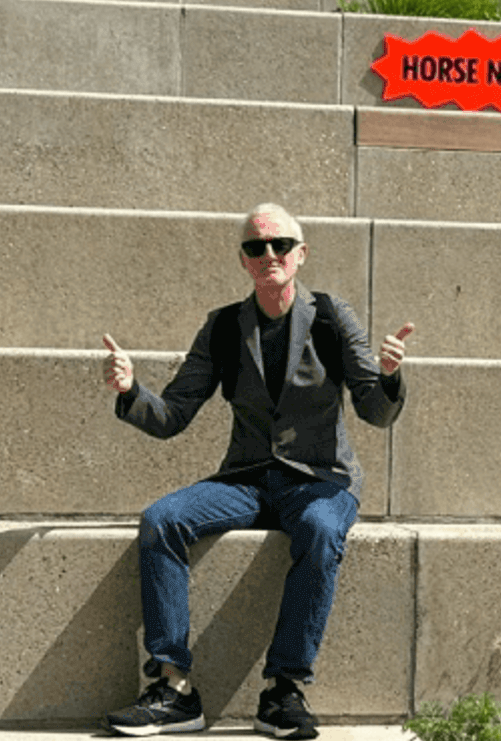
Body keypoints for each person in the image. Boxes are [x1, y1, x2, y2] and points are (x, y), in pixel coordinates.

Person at [100, 203, 413, 739]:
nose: (269, 254)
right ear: (244, 260)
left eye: (280, 245)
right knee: (161, 520)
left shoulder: (332, 317)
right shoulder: (223, 326)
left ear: (301, 254)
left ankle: (283, 689)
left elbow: (374, 411)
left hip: (319, 480)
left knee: (320, 530)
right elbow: (173, 415)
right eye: (255, 246)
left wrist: (388, 377)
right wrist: (131, 391)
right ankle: (174, 688)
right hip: (246, 480)